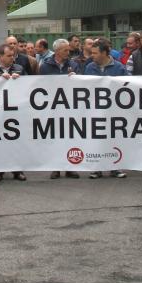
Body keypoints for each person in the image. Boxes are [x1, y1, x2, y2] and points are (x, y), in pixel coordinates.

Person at [83, 39, 127, 179]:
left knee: (114, 139)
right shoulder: (90, 67)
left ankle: (115, 167)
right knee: (96, 139)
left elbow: (128, 86)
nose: (92, 55)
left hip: (114, 111)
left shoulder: (119, 67)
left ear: (104, 53)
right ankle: (97, 168)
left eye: (95, 53)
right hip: (95, 111)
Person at [42, 39, 79, 179]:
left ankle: (70, 168)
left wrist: (76, 78)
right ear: (57, 51)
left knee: (70, 137)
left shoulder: (74, 65)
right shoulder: (45, 66)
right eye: (65, 50)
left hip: (71, 108)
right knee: (55, 138)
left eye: (69, 50)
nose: (68, 52)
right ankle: (56, 167)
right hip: (54, 108)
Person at [0, 44, 26, 183]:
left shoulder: (20, 69)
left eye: (13, 56)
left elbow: (30, 86)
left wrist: (21, 79)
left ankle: (17, 170)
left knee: (16, 142)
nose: (12, 59)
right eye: (9, 56)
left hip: (16, 113)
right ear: (0, 57)